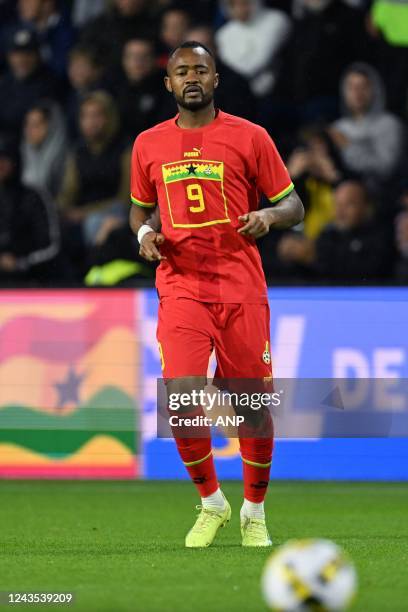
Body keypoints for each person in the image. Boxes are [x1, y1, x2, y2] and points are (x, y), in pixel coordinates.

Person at [129, 41, 304, 548]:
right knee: (181, 398)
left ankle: (254, 512)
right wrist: (145, 236)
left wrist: (269, 216)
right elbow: (140, 210)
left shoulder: (250, 137)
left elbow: (292, 203)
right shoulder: (147, 145)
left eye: (200, 70)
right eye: (181, 71)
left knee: (250, 405)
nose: (191, 78)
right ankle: (211, 503)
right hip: (181, 285)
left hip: (241, 286)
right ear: (168, 83)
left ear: (215, 79)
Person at [58, 91, 130, 249]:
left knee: (94, 223)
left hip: (114, 214)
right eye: (85, 116)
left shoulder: (125, 150)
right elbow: (68, 191)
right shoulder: (78, 152)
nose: (90, 122)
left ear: (109, 117)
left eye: (96, 115)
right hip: (80, 214)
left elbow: (125, 198)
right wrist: (61, 210)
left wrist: (84, 213)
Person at [329, 63, 404, 194]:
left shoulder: (389, 124)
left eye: (363, 86)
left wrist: (348, 146)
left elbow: (386, 169)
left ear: (375, 89)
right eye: (351, 87)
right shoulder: (338, 126)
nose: (357, 92)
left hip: (377, 196)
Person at [0, 132, 60, 284]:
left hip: (32, 282)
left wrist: (21, 263)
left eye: (4, 158)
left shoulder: (34, 197)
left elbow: (51, 247)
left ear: (15, 160)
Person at [215, 0, 291, 97]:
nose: (239, 10)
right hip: (235, 94)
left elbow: (256, 63)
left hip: (275, 94)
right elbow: (226, 67)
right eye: (233, 5)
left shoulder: (276, 20)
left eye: (244, 3)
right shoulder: (223, 33)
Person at [0, 28, 59, 134]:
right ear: (9, 56)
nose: (22, 60)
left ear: (37, 56)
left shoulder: (50, 83)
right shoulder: (6, 81)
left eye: (28, 54)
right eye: (17, 54)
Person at [21, 100, 67, 197]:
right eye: (28, 124)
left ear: (51, 126)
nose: (29, 130)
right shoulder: (23, 152)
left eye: (36, 125)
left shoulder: (64, 158)